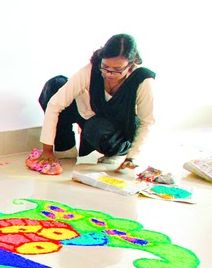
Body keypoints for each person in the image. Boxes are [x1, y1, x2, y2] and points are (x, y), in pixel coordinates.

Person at [28, 34, 155, 175]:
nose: (109, 74)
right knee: (55, 85)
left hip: (118, 129)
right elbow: (55, 104)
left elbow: (147, 122)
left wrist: (132, 157)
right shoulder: (92, 68)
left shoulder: (142, 80)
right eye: (105, 67)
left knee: (96, 128)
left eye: (118, 69)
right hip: (94, 116)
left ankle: (117, 152)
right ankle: (65, 148)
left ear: (131, 65)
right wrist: (47, 150)